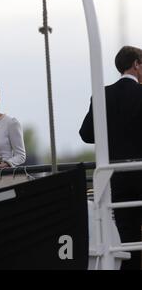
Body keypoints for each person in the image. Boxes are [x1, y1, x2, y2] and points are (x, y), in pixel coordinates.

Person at [79, 45, 142, 270]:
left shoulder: (102, 94)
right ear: (136, 64)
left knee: (126, 236)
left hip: (115, 177)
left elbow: (86, 134)